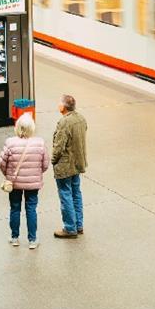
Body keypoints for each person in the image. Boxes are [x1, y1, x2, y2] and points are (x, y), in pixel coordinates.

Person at [0, 113, 49, 249]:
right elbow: (45, 165)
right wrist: (35, 174)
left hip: (14, 183)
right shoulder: (40, 143)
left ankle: (14, 237)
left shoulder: (10, 143)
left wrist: (8, 175)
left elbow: (2, 163)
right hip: (33, 184)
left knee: (15, 208)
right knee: (31, 209)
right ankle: (32, 240)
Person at [51, 94, 88, 239]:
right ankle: (79, 225)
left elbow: (59, 146)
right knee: (76, 193)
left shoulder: (64, 123)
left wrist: (53, 160)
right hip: (78, 163)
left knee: (65, 194)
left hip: (65, 165)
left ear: (63, 106)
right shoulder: (81, 118)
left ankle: (69, 228)